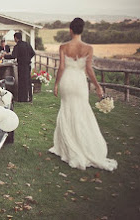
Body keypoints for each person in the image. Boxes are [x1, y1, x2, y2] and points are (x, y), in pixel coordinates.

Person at [50, 18, 117, 171]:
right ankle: (85, 146)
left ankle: (68, 147)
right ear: (82, 30)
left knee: (67, 110)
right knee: (81, 111)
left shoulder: (63, 47)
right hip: (80, 82)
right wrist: (98, 86)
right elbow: (89, 69)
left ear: (70, 30)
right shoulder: (88, 48)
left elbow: (61, 67)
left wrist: (56, 84)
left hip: (67, 81)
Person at [3, 32, 35, 102]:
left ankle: (22, 99)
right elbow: (33, 53)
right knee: (28, 81)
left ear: (15, 38)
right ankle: (29, 98)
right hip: (28, 64)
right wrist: (28, 58)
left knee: (22, 82)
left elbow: (13, 56)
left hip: (21, 65)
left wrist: (4, 56)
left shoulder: (17, 46)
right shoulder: (27, 44)